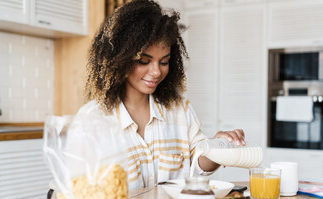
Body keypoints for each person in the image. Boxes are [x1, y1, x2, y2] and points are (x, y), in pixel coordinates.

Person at [75, 0, 245, 189]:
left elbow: (198, 164)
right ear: (119, 59)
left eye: (163, 62)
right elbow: (79, 190)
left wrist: (217, 146)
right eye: (143, 61)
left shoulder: (179, 109)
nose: (156, 72)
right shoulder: (91, 119)